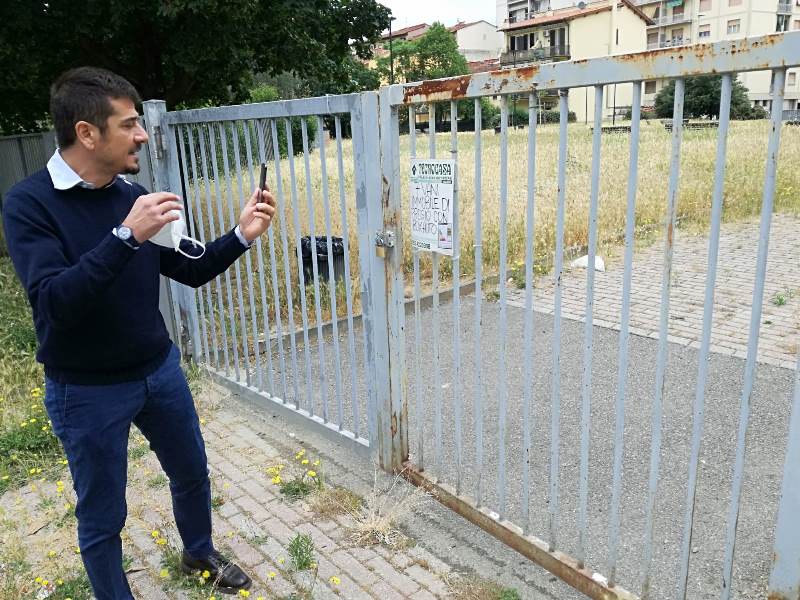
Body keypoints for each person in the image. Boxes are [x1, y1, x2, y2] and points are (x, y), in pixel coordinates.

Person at [2, 67, 276, 599]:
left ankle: (198, 550)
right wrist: (126, 235)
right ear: (87, 133)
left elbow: (190, 268)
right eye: (129, 124)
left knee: (192, 473)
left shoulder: (135, 195)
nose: (143, 134)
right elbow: (55, 302)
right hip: (86, 391)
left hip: (159, 370)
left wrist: (242, 234)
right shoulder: (29, 204)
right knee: (103, 514)